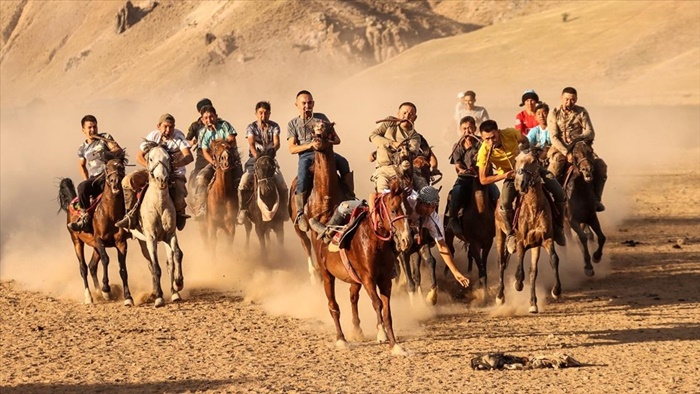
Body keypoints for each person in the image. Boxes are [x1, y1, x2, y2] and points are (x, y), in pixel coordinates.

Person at [318, 186, 470, 288]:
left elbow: (442, 245)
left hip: (398, 234)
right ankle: (327, 232)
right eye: (428, 206)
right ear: (419, 201)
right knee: (345, 206)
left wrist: (456, 272)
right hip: (381, 219)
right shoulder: (407, 199)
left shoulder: (432, 219)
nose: (431, 210)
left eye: (434, 207)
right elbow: (373, 195)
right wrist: (373, 214)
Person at [476, 120, 566, 253]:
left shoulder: (510, 133)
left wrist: (525, 154)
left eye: (493, 137)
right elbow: (483, 180)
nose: (491, 141)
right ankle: (511, 235)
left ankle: (558, 228)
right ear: (483, 138)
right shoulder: (484, 151)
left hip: (530, 170)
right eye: (487, 139)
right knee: (505, 203)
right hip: (511, 177)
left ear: (498, 132)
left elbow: (525, 141)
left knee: (559, 192)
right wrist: (505, 175)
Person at [287, 90, 354, 232]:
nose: (307, 106)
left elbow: (337, 139)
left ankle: (350, 195)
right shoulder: (292, 124)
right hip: (307, 155)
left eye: (309, 103)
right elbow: (292, 148)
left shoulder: (321, 118)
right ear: (297, 105)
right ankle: (299, 212)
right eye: (303, 103)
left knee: (343, 163)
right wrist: (310, 145)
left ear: (313, 104)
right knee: (303, 174)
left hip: (325, 152)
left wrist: (325, 140)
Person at [116, 113, 193, 231]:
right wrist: (150, 167)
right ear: (158, 126)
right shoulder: (153, 136)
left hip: (174, 173)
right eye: (165, 126)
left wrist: (174, 165)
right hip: (152, 172)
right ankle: (130, 213)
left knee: (178, 192)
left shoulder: (179, 137)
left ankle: (179, 213)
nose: (168, 130)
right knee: (127, 181)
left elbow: (189, 156)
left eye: (171, 127)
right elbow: (139, 156)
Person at [548, 87, 607, 212]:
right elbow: (554, 137)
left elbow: (590, 132)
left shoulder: (581, 112)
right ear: (561, 98)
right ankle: (554, 200)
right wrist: (566, 152)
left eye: (572, 100)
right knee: (554, 168)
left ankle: (596, 199)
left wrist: (577, 139)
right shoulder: (553, 113)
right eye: (567, 99)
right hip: (560, 148)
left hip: (580, 147)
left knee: (600, 166)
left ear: (576, 100)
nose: (569, 103)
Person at [68, 115, 124, 232]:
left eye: (95, 127)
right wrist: (86, 179)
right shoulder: (82, 148)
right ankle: (85, 218)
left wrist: (108, 154)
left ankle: (132, 217)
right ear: (83, 130)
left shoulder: (105, 137)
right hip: (95, 178)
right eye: (89, 127)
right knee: (82, 187)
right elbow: (82, 165)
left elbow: (116, 149)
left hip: (110, 174)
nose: (93, 130)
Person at [445, 116, 499, 235]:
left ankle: (501, 223)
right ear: (460, 129)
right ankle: (453, 219)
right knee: (456, 193)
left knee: (496, 194)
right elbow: (457, 164)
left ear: (475, 128)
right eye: (464, 129)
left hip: (483, 179)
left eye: (470, 128)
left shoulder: (483, 143)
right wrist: (461, 170)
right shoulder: (457, 146)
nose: (467, 131)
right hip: (465, 179)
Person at [237, 101, 289, 224]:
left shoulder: (274, 126)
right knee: (244, 180)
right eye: (260, 113)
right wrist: (257, 156)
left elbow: (277, 143)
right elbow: (251, 144)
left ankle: (284, 209)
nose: (263, 116)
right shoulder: (251, 127)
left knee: (281, 182)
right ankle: (243, 209)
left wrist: (272, 151)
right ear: (256, 114)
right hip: (254, 159)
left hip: (270, 159)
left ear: (269, 114)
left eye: (266, 113)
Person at [370, 102, 440, 192]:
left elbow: (412, 152)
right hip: (384, 170)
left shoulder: (415, 136)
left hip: (407, 170)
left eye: (410, 114)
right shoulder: (389, 123)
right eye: (404, 113)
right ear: (398, 114)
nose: (407, 116)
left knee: (426, 192)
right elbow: (373, 136)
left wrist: (434, 168)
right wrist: (391, 143)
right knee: (382, 195)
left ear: (415, 118)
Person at [193, 105, 240, 219]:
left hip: (232, 160)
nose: (209, 120)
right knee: (200, 178)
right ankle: (202, 208)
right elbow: (204, 151)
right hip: (215, 162)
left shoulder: (224, 126)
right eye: (206, 118)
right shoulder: (202, 133)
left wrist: (221, 143)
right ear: (203, 120)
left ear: (216, 116)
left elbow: (231, 139)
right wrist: (213, 162)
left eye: (211, 117)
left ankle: (243, 210)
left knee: (241, 182)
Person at [185, 98, 213, 186]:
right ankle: (197, 197)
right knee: (197, 177)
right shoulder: (195, 126)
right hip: (202, 156)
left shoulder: (220, 123)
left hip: (218, 154)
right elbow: (185, 142)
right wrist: (192, 142)